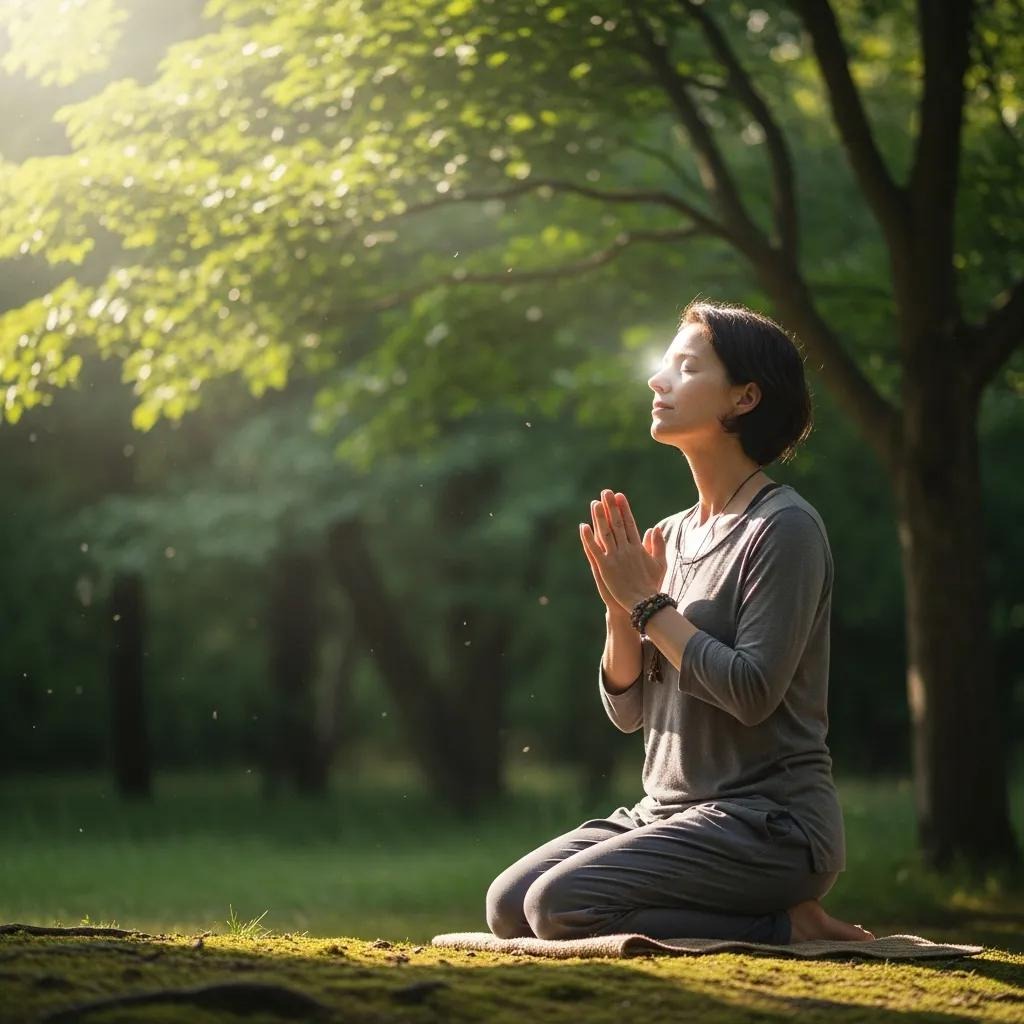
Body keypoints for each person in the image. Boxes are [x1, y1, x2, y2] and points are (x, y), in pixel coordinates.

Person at [485, 300, 875, 944]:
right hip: (665, 812)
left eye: (686, 366)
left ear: (744, 398)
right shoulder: (670, 536)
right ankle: (774, 919)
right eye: (664, 365)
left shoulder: (784, 529)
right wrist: (621, 613)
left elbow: (752, 694)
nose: (657, 380)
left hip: (768, 824)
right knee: (508, 906)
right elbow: (630, 713)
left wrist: (649, 608)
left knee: (558, 908)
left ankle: (786, 922)